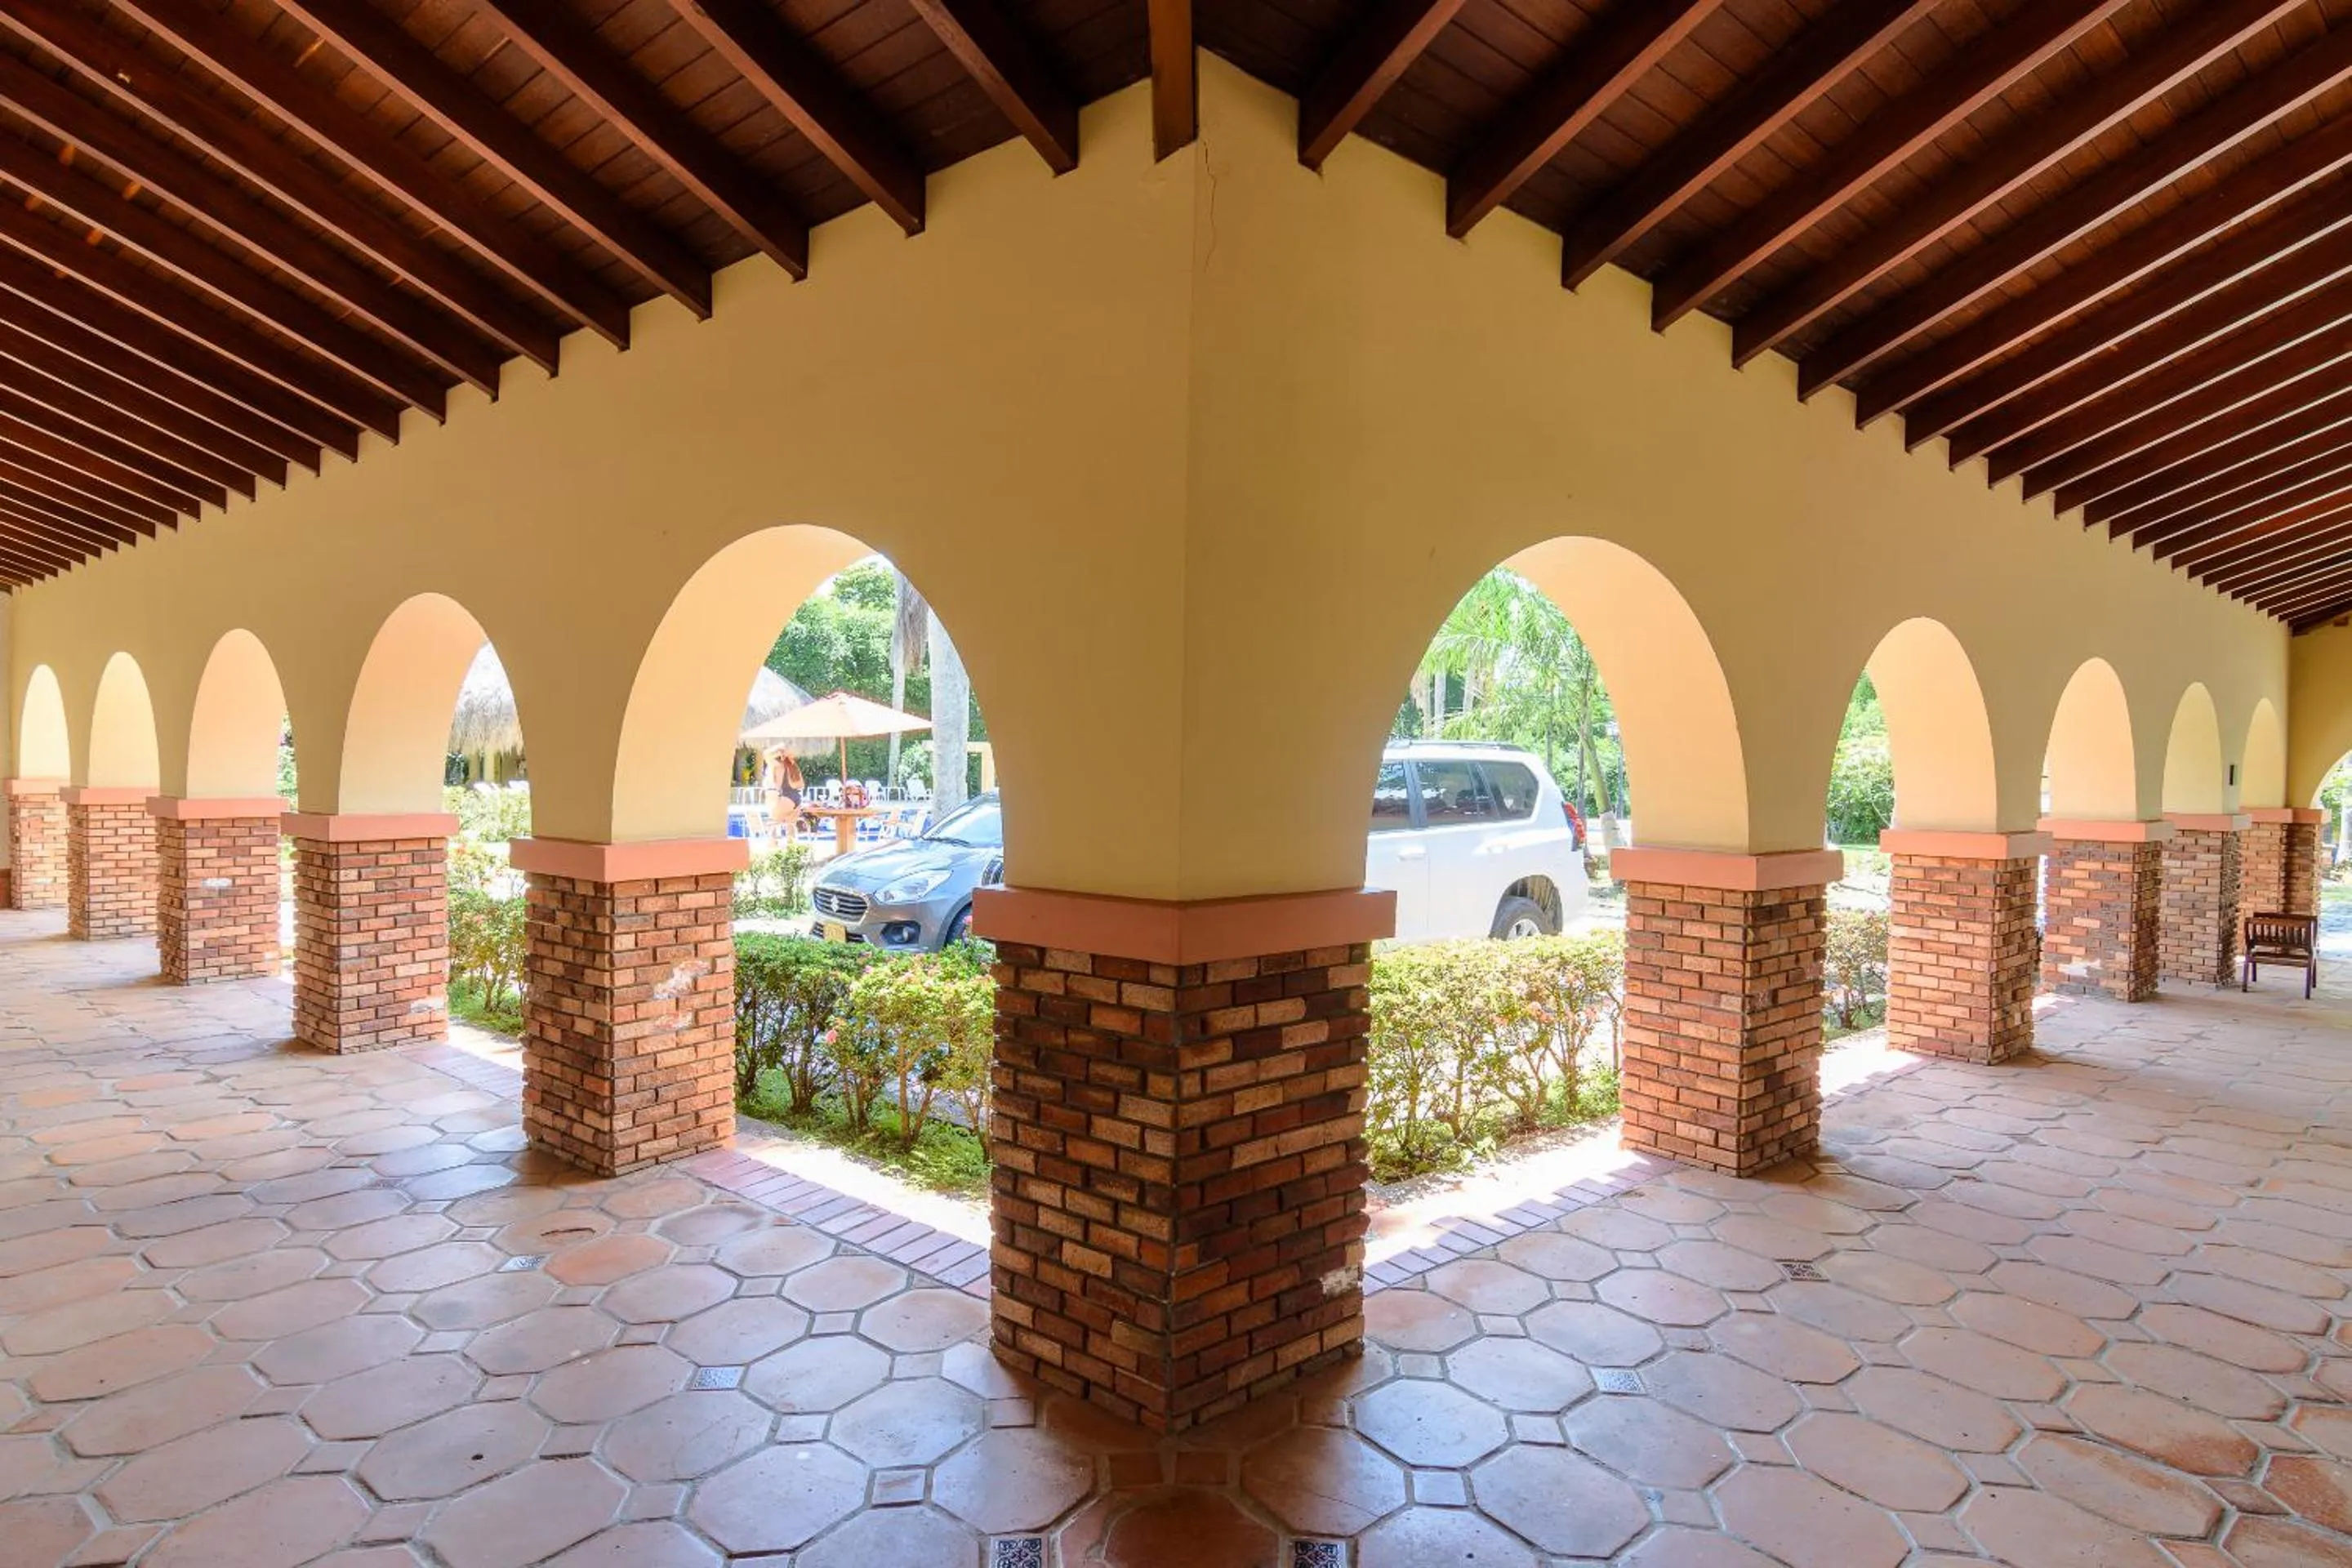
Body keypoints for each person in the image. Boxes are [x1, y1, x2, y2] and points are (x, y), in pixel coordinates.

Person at [767, 751, 803, 841]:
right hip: (797, 799)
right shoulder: (794, 767)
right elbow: (801, 785)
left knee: (773, 823)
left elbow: (777, 785)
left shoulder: (778, 767)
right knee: (791, 828)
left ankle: (772, 847)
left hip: (786, 797)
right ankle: (793, 850)